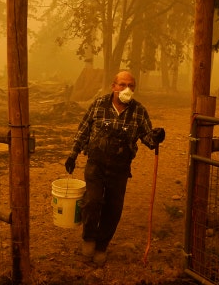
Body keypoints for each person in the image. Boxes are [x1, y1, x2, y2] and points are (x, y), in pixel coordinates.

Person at [64, 71, 165, 266]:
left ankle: (102, 246)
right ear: (113, 86)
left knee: (113, 208)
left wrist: (157, 136)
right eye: (122, 84)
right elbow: (83, 130)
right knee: (92, 202)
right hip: (95, 164)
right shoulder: (98, 105)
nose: (126, 89)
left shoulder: (139, 111)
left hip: (120, 168)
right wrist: (73, 154)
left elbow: (148, 139)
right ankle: (89, 238)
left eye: (131, 86)